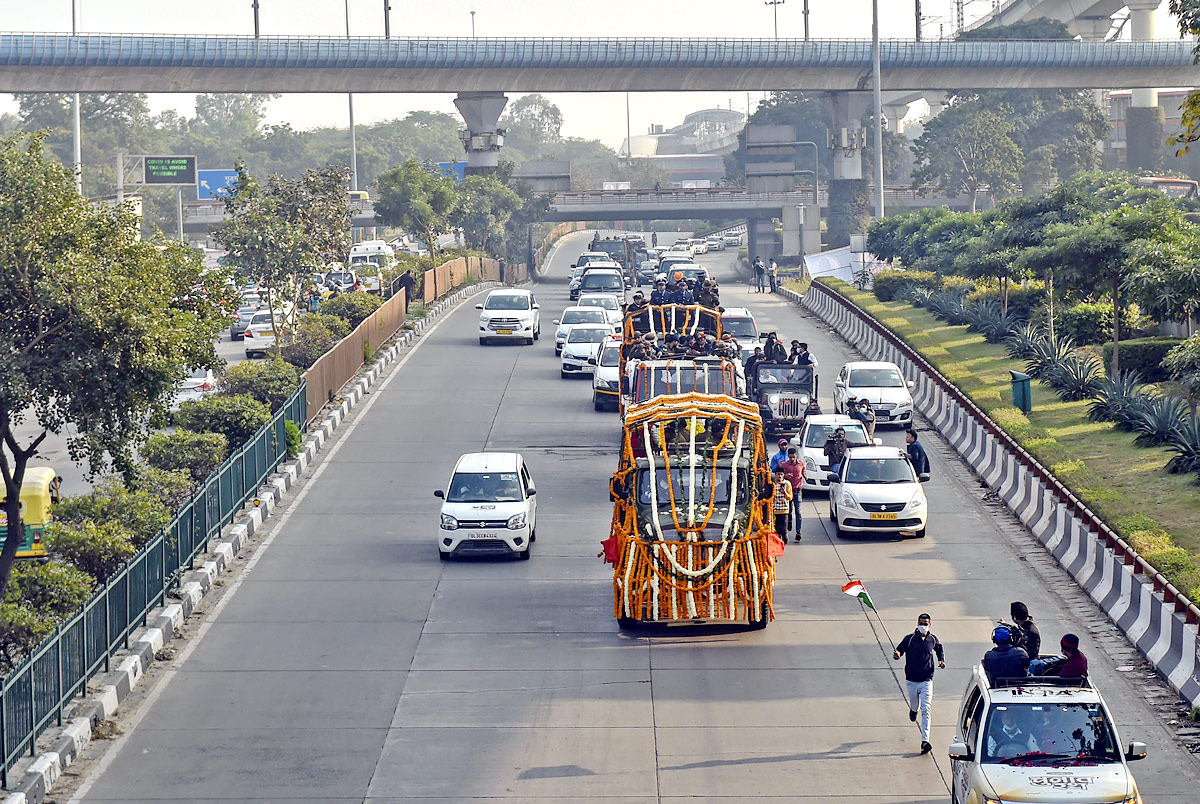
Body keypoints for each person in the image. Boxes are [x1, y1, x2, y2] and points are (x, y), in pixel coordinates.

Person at [893, 613, 945, 755]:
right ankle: (913, 710)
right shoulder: (909, 639)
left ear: (930, 625)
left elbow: (939, 648)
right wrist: (897, 654)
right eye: (921, 623)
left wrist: (941, 660)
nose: (923, 626)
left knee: (926, 709)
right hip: (911, 680)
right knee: (915, 704)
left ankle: (925, 741)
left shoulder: (932, 639)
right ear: (917, 623)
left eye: (926, 623)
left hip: (926, 680)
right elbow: (899, 650)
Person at [780, 447, 806, 539]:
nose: (792, 459)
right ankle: (789, 522)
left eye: (793, 457)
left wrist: (805, 476)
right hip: (788, 490)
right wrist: (786, 476)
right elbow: (780, 476)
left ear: (796, 456)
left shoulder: (801, 463)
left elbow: (803, 471)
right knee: (789, 510)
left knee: (798, 511)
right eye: (790, 457)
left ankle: (798, 532)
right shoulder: (784, 465)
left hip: (798, 490)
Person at [771, 468, 793, 544]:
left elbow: (790, 497)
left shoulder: (787, 484)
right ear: (775, 475)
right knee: (776, 530)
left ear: (784, 475)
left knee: (783, 530)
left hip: (784, 511)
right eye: (778, 474)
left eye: (781, 474)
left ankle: (784, 541)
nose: (779, 476)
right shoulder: (772, 484)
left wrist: (785, 493)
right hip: (774, 511)